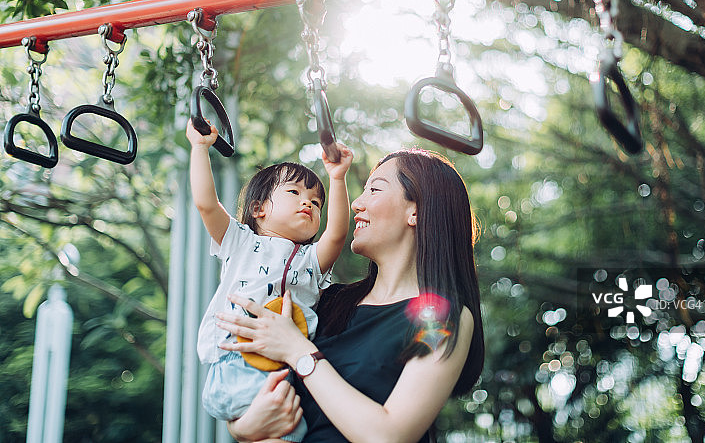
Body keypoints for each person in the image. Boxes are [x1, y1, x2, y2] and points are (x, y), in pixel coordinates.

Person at [216, 148, 485, 443]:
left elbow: (390, 435)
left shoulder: (441, 319)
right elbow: (250, 387)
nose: (357, 203)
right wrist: (243, 427)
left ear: (416, 210)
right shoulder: (326, 301)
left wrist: (300, 352)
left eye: (375, 190)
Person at [186, 120, 353, 441]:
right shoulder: (240, 240)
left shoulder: (310, 260)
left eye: (316, 202)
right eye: (294, 192)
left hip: (283, 370)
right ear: (258, 209)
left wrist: (338, 178)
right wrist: (199, 148)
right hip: (235, 361)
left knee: (288, 432)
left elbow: (338, 233)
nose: (308, 202)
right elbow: (206, 204)